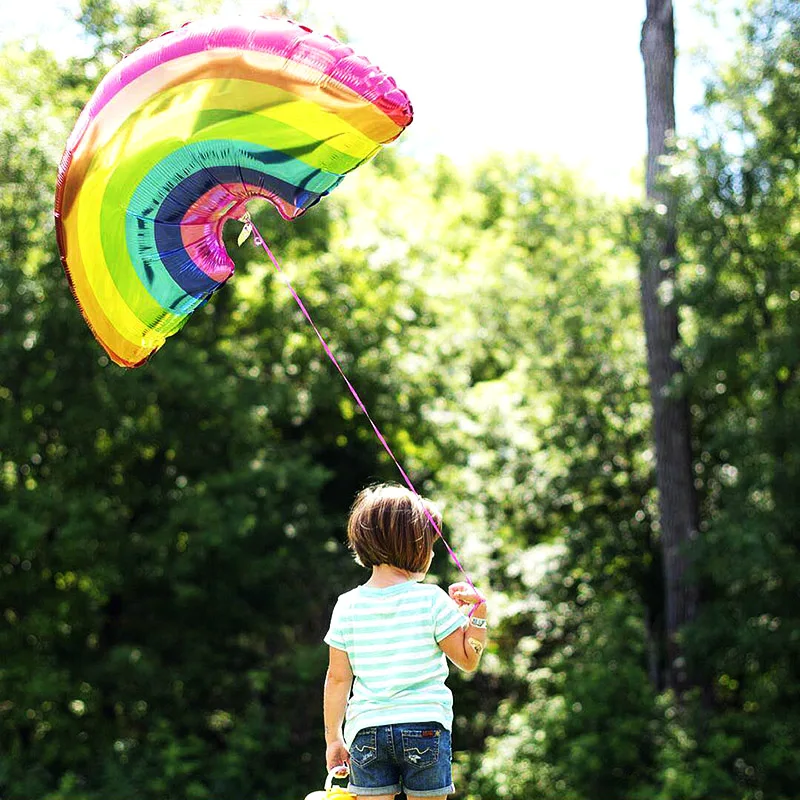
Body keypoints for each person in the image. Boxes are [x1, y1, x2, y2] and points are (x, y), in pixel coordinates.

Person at [323, 483, 488, 800]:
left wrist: (334, 738)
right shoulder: (430, 600)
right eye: (429, 543)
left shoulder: (346, 605)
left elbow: (337, 678)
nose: (432, 550)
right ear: (413, 545)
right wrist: (479, 613)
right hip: (425, 728)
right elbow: (468, 659)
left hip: (367, 733)